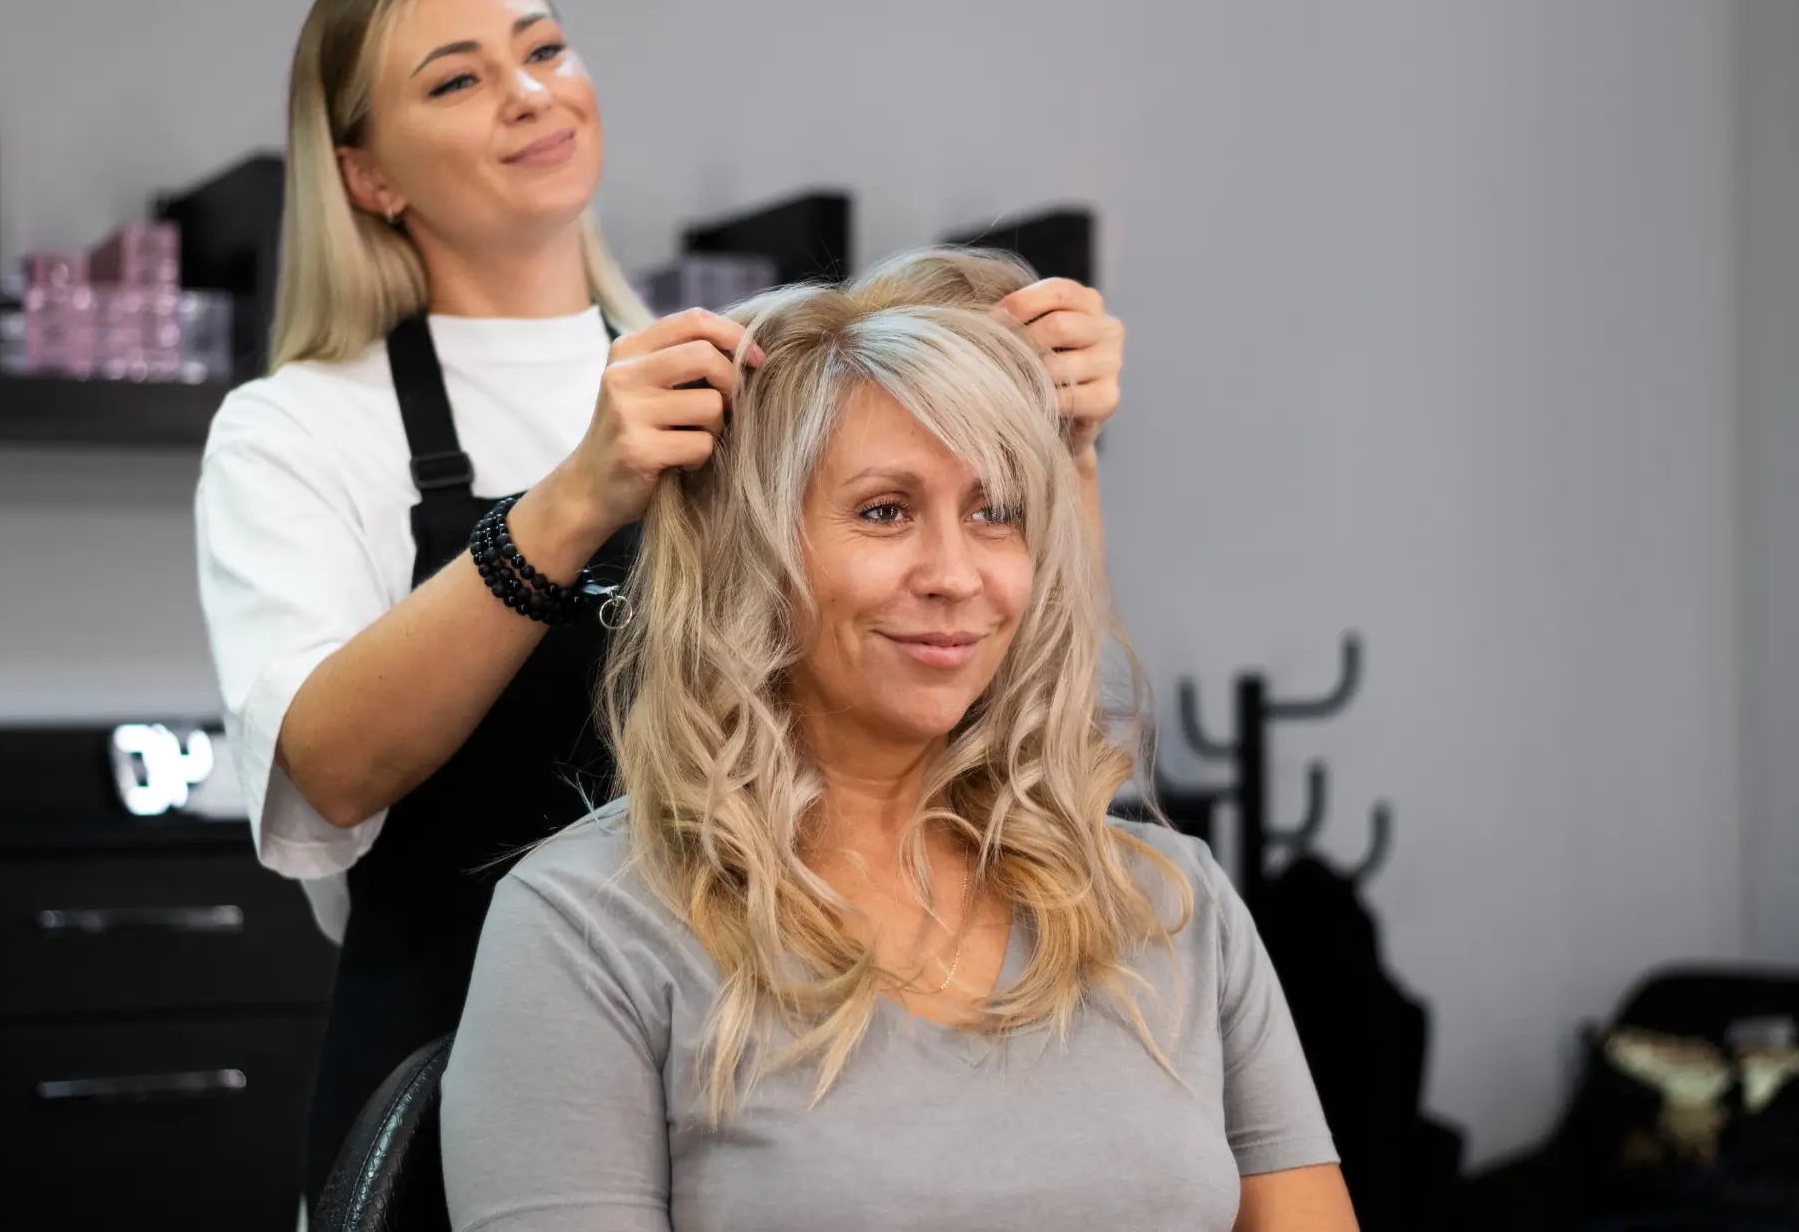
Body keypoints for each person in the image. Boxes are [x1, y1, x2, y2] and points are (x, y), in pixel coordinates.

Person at [193, 0, 1129, 1212]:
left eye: (543, 50)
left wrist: (1056, 445)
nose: (528, 92)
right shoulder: (298, 427)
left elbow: (993, 679)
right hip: (452, 1076)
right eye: (456, 80)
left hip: (755, 1066)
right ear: (365, 175)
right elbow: (324, 772)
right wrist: (572, 501)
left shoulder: (748, 374)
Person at [440, 249, 1356, 1232]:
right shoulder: (589, 930)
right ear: (750, 555)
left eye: (994, 513)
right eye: (884, 512)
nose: (955, 573)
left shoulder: (1171, 906)